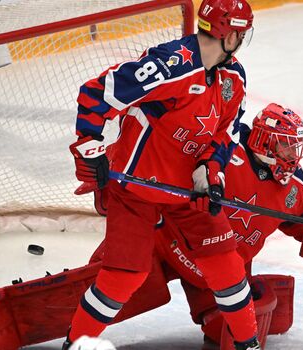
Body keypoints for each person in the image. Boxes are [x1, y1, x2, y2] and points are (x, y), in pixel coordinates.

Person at [0, 103, 303, 350]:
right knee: (102, 288)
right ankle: (1, 320)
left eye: (296, 146)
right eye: (288, 146)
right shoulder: (224, 149)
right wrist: (109, 171)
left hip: (218, 272)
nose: (294, 155)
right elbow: (157, 157)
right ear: (267, 144)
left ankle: (265, 299)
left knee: (240, 319)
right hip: (161, 240)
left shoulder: (292, 189)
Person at [66, 0, 257, 349]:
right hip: (135, 188)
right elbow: (97, 94)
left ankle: (248, 345)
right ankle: (76, 344)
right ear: (227, 34)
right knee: (124, 277)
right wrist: (88, 145)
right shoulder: (171, 65)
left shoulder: (233, 76)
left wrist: (210, 169)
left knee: (227, 267)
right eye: (241, 33)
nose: (243, 40)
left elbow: (226, 132)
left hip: (187, 193)